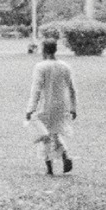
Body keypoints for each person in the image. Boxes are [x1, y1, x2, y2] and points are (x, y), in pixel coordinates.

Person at [27, 40, 79, 175]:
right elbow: (72, 89)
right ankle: (65, 155)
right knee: (54, 132)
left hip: (45, 105)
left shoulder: (41, 67)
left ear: (44, 50)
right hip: (62, 105)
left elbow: (36, 90)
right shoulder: (65, 66)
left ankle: (49, 169)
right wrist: (73, 107)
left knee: (45, 135)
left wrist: (30, 109)